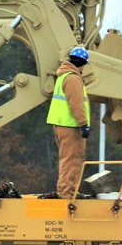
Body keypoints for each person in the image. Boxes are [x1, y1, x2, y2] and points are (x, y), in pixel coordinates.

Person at [45, 46, 91, 199]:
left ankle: (65, 190)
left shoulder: (63, 76)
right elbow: (76, 104)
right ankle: (68, 193)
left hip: (62, 125)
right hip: (71, 126)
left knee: (67, 158)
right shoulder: (73, 78)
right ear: (83, 63)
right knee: (73, 159)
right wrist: (84, 124)